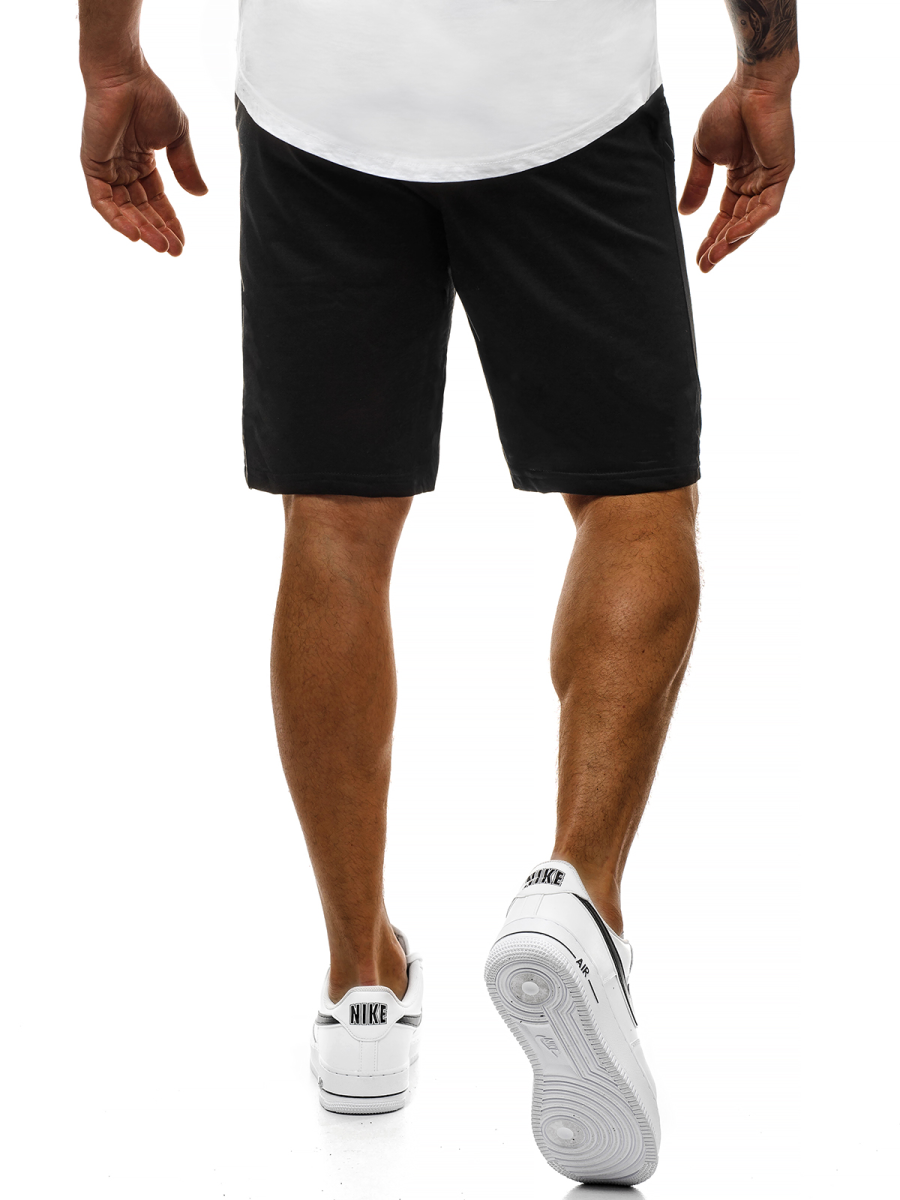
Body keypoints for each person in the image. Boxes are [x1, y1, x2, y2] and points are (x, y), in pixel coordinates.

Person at [77, 0, 798, 1184]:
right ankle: (579, 895)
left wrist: (110, 59)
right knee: (635, 499)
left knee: (334, 527)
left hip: (325, 93)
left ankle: (361, 985)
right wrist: (770, 64)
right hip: (565, 90)